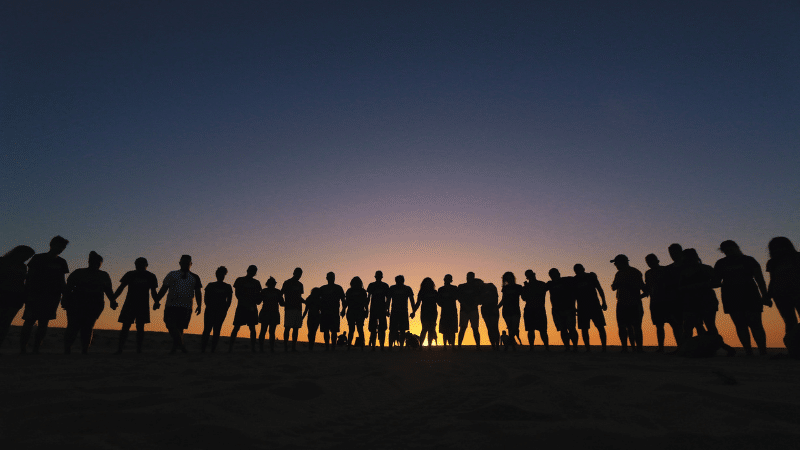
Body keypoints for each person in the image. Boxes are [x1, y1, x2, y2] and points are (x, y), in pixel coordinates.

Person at [714, 240, 770, 356]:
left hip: (750, 295)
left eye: (731, 249)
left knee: (755, 324)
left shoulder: (749, 260)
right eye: (726, 250)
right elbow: (716, 282)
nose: (729, 252)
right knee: (740, 325)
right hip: (731, 297)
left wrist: (765, 295)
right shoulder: (720, 263)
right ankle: (748, 351)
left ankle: (762, 351)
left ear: (736, 247)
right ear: (723, 251)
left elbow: (759, 279)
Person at [20, 236, 70, 354]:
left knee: (43, 323)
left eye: (63, 247)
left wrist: (65, 296)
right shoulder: (38, 258)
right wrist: (26, 294)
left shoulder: (61, 262)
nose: (61, 249)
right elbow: (29, 277)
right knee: (29, 321)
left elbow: (62, 281)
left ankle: (36, 348)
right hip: (35, 295)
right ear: (51, 245)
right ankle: (23, 348)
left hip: (52, 297)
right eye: (59, 246)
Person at [63, 251, 117, 354]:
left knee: (87, 327)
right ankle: (68, 349)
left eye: (98, 263)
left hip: (94, 304)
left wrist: (112, 301)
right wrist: (65, 300)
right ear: (89, 262)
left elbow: (108, 290)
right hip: (77, 303)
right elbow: (68, 288)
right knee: (73, 326)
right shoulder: (79, 273)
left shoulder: (103, 275)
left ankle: (84, 350)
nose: (95, 264)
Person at [154, 255, 202, 354]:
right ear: (179, 263)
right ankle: (182, 346)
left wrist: (199, 305)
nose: (185, 265)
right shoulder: (172, 274)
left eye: (187, 263)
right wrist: (157, 300)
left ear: (191, 264)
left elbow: (198, 292)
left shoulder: (195, 277)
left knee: (180, 328)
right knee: (170, 324)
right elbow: (164, 289)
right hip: (171, 305)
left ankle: (175, 349)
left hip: (186, 306)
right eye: (183, 262)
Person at [113, 257, 158, 354]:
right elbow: (121, 288)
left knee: (139, 327)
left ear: (146, 265)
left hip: (142, 305)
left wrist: (156, 302)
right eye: (138, 264)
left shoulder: (150, 276)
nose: (140, 266)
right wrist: (113, 298)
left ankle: (138, 349)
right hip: (130, 304)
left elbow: (153, 292)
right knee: (126, 326)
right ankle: (121, 349)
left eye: (142, 264)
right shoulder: (130, 274)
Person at [679, 249, 722, 340]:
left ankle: (712, 347)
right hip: (690, 302)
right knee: (689, 326)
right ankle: (688, 348)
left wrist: (698, 286)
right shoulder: (682, 271)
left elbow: (717, 283)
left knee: (709, 325)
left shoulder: (706, 268)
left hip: (706, 300)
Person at [644, 254, 681, 352]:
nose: (649, 264)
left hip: (668, 301)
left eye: (651, 261)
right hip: (655, 302)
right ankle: (661, 347)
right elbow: (647, 288)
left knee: (674, 324)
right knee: (659, 325)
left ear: (657, 261)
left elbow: (674, 284)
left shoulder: (666, 270)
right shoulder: (648, 273)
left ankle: (680, 346)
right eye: (648, 262)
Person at [765, 237, 800, 341]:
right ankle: (793, 346)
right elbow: (773, 279)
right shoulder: (772, 262)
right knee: (789, 321)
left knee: (789, 320)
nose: (778, 250)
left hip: (797, 292)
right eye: (774, 248)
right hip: (780, 295)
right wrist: (768, 295)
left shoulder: (797, 257)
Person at [0, 245, 35, 349]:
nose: (27, 258)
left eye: (29, 257)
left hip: (15, 297)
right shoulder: (2, 262)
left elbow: (23, 282)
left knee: (5, 323)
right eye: (26, 255)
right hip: (3, 294)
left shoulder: (23, 267)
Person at [610, 255, 646, 353]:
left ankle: (637, 348)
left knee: (635, 326)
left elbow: (643, 288)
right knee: (624, 326)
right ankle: (626, 348)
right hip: (623, 303)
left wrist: (638, 297)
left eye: (616, 263)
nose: (615, 265)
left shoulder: (634, 272)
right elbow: (613, 287)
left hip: (632, 304)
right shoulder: (620, 273)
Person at [571, 264, 608, 352]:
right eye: (576, 270)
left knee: (600, 327)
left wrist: (604, 302)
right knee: (584, 329)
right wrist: (574, 307)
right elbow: (573, 295)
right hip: (582, 308)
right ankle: (588, 348)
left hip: (594, 306)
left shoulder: (591, 276)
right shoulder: (574, 280)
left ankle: (604, 348)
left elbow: (599, 289)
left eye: (579, 269)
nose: (578, 271)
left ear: (583, 269)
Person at [230, 265, 261, 353]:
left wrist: (256, 301)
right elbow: (237, 294)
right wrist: (246, 302)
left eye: (254, 271)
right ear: (247, 270)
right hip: (242, 307)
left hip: (252, 308)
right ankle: (230, 348)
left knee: (252, 328)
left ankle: (253, 348)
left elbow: (258, 296)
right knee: (236, 327)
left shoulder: (257, 283)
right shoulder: (240, 280)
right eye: (252, 270)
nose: (253, 272)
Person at [201, 267, 232, 353]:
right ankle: (203, 349)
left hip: (220, 311)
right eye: (219, 274)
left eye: (222, 274)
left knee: (216, 330)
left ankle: (212, 349)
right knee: (207, 329)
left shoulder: (227, 287)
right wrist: (210, 306)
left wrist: (225, 309)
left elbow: (229, 300)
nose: (221, 276)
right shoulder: (211, 285)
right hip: (211, 310)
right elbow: (206, 298)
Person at [546, 268, 578, 351]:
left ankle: (575, 346)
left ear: (559, 274)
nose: (553, 276)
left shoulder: (567, 280)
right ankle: (567, 347)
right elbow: (540, 288)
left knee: (571, 328)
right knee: (563, 329)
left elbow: (578, 278)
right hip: (557, 310)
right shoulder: (550, 284)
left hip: (569, 308)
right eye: (551, 275)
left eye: (555, 274)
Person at [522, 270, 549, 351]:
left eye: (531, 275)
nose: (531, 277)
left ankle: (546, 347)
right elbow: (524, 298)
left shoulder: (541, 284)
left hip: (538, 309)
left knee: (542, 330)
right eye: (530, 276)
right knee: (531, 330)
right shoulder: (540, 284)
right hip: (531, 309)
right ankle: (532, 347)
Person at [318, 272, 346, 351]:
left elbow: (343, 300)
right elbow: (318, 300)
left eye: (332, 277)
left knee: (334, 331)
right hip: (325, 312)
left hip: (334, 312)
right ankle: (327, 347)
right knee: (326, 331)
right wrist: (319, 310)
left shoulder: (338, 288)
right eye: (329, 277)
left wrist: (343, 310)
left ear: (334, 278)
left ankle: (332, 347)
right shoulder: (322, 288)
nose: (331, 278)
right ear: (327, 278)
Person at [387, 275, 415, 349]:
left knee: (402, 330)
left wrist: (414, 311)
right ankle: (390, 346)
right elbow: (388, 300)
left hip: (403, 312)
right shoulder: (392, 288)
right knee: (393, 330)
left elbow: (412, 300)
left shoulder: (407, 288)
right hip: (395, 312)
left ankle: (401, 347)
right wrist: (387, 310)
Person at [457, 272, 483, 350]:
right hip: (464, 310)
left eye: (471, 277)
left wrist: (472, 305)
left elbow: (479, 298)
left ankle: (478, 346)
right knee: (462, 328)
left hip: (473, 310)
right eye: (468, 277)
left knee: (475, 328)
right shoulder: (461, 286)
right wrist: (466, 306)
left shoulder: (477, 288)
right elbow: (459, 298)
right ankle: (459, 345)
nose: (469, 278)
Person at [281, 267, 305, 351]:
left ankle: (293, 347)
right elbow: (281, 293)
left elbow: (299, 297)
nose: (299, 275)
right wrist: (283, 303)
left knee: (296, 328)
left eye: (300, 274)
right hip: (290, 308)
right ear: (294, 273)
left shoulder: (300, 285)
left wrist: (305, 302)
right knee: (287, 327)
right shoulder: (287, 283)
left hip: (298, 308)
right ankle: (285, 347)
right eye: (298, 273)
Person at [498, 272, 523, 351]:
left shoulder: (518, 287)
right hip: (506, 310)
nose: (509, 279)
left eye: (510, 278)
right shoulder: (505, 288)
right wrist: (497, 307)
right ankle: (512, 346)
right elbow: (503, 299)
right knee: (510, 328)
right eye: (507, 278)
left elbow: (523, 297)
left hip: (515, 309)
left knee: (515, 328)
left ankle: (508, 344)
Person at [258, 277, 284, 352]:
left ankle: (267, 348)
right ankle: (265, 348)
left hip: (271, 313)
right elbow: (282, 303)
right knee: (266, 331)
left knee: (268, 331)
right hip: (268, 313)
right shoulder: (268, 291)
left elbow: (282, 303)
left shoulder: (265, 291)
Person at [366, 271, 390, 350]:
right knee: (373, 329)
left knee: (382, 329)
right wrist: (366, 309)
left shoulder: (385, 286)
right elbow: (368, 298)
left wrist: (387, 309)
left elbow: (388, 299)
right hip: (374, 309)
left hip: (381, 310)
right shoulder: (372, 285)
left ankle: (381, 346)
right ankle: (374, 346)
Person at [344, 276, 368, 350]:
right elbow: (346, 302)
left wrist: (366, 311)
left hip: (356, 311)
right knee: (357, 329)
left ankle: (353, 346)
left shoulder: (360, 291)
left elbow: (365, 303)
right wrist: (367, 311)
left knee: (355, 329)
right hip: (355, 311)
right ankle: (359, 346)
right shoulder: (360, 291)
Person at [414, 277, 439, 348]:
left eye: (429, 283)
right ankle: (421, 345)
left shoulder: (435, 292)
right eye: (426, 283)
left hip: (433, 312)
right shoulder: (422, 292)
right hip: (425, 312)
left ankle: (429, 346)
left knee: (431, 329)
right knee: (424, 328)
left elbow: (439, 302)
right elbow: (418, 303)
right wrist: (414, 311)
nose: (428, 284)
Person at [437, 274, 459, 350]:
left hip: (452, 311)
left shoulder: (454, 288)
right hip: (445, 311)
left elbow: (457, 297)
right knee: (445, 330)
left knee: (452, 330)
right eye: (446, 279)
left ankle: (452, 345)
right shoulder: (441, 289)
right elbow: (438, 301)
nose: (447, 280)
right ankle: (445, 346)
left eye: (448, 279)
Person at [480, 280, 500, 350]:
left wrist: (495, 307)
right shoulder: (480, 290)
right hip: (486, 309)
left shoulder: (491, 286)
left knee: (494, 327)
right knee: (490, 327)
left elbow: (496, 297)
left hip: (492, 308)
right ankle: (494, 345)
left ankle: (496, 345)